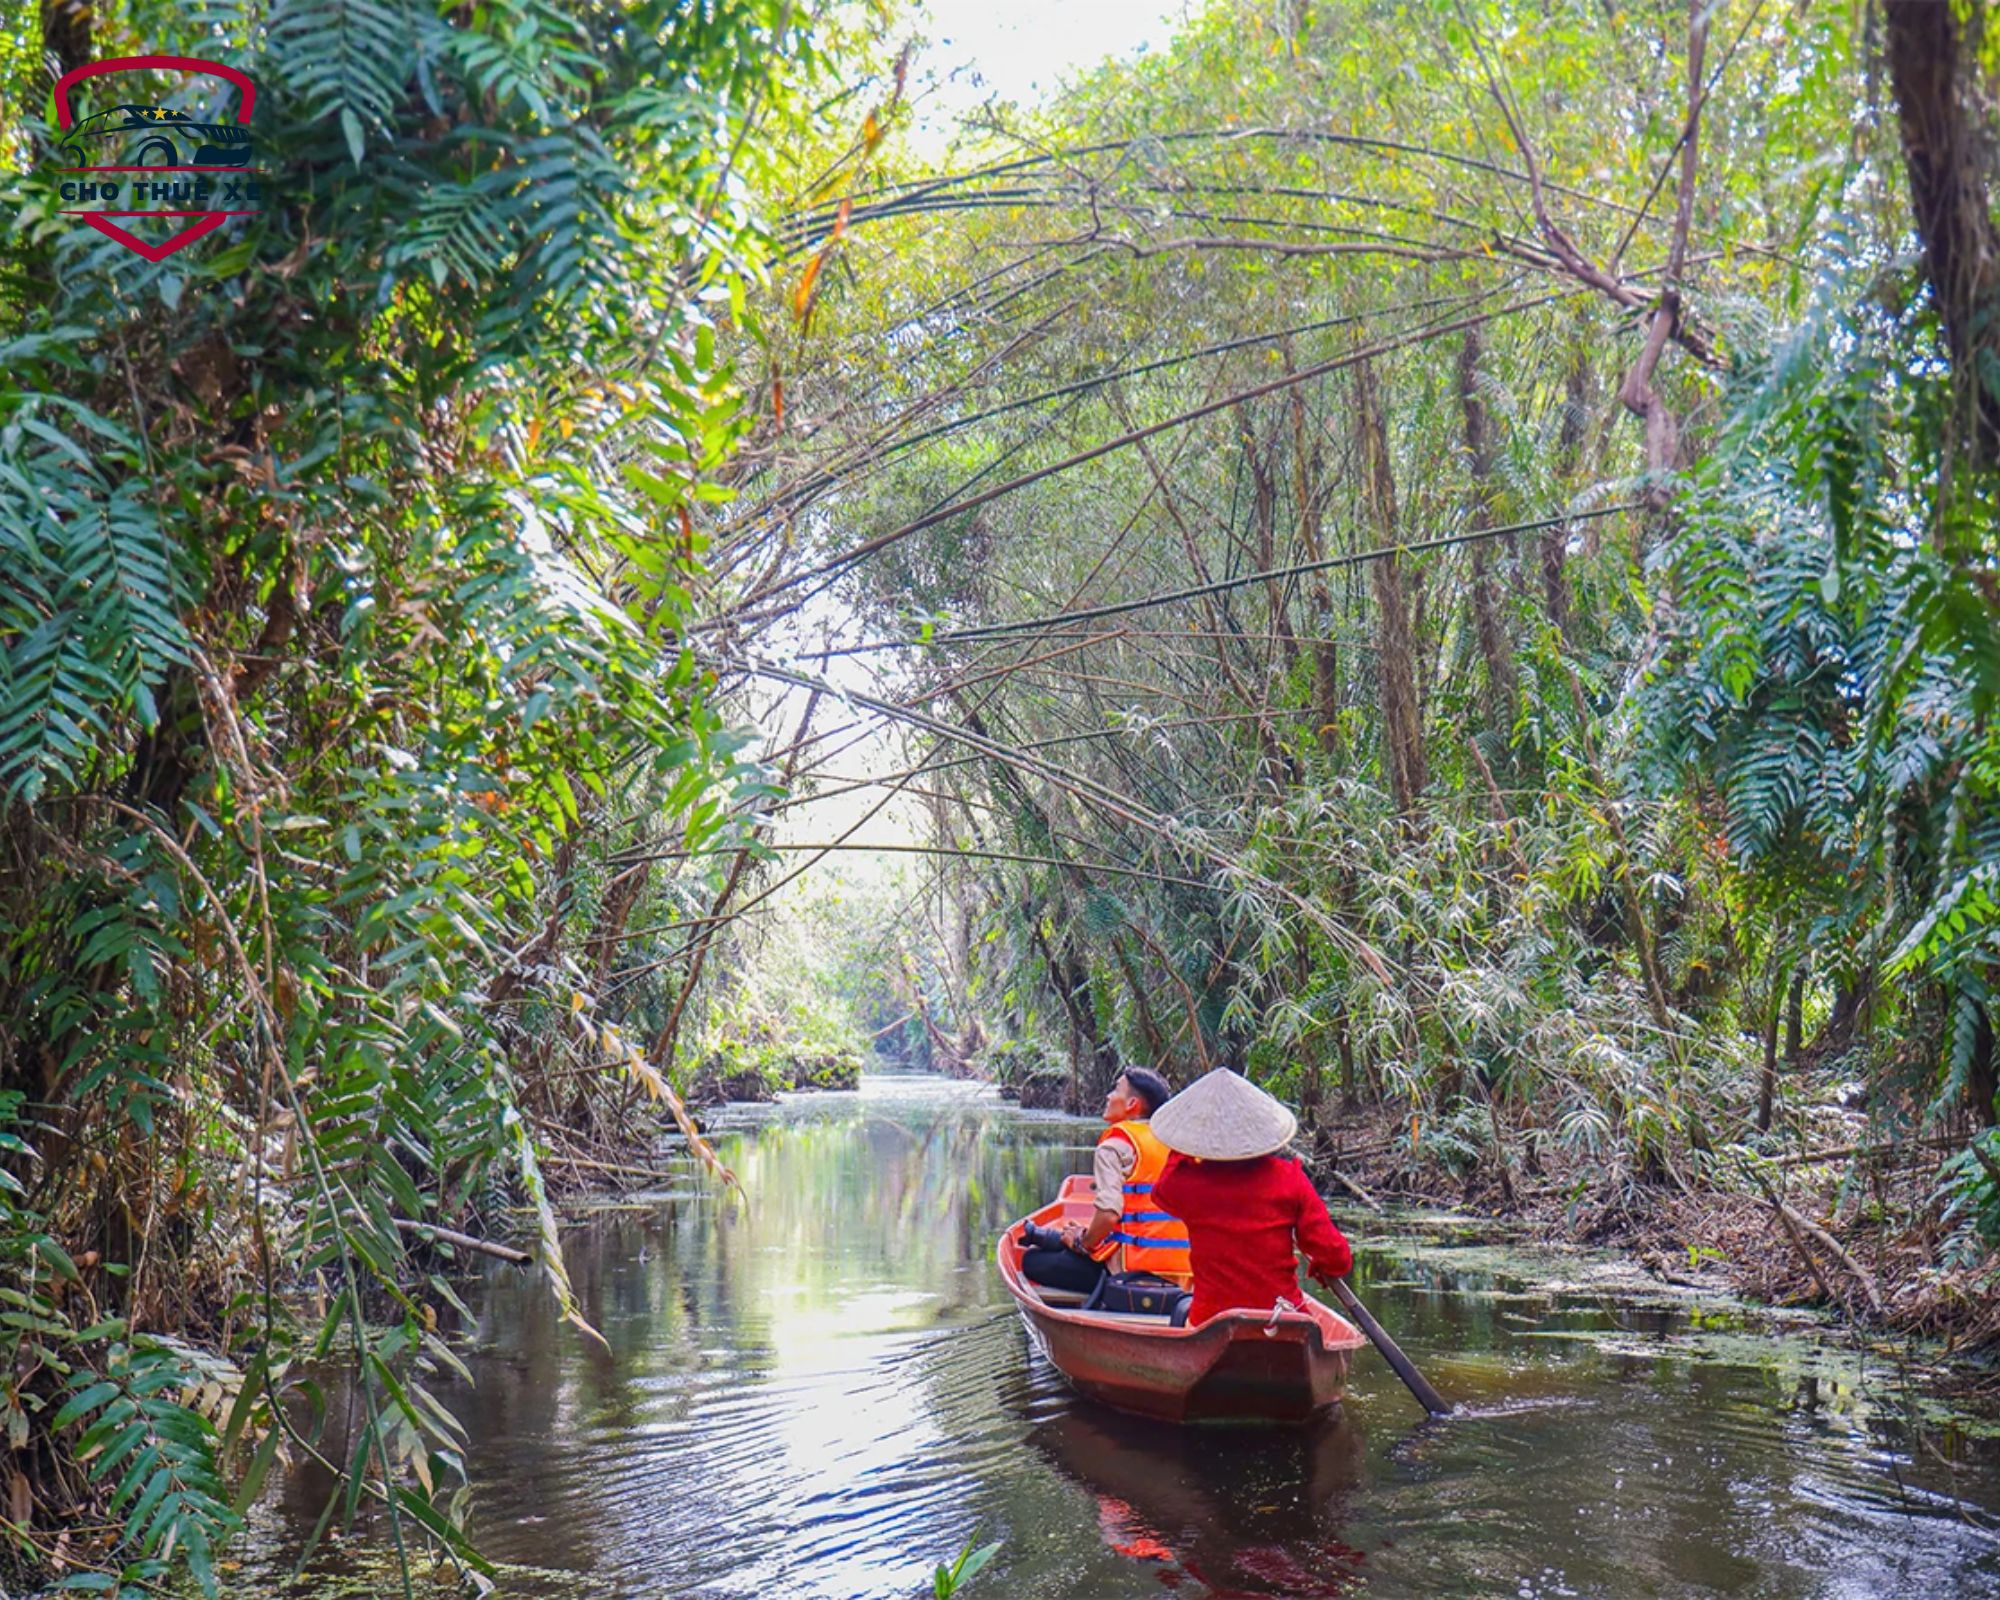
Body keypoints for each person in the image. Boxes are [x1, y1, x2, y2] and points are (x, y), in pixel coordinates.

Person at [1150, 1067, 1352, 1327]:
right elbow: (1336, 1257)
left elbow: (1162, 1192)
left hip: (1210, 1322)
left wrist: (1186, 1144)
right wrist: (1322, 1269)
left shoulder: (1188, 1184)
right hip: (1283, 1319)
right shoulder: (1290, 1178)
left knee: (1182, 1316)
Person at [1020, 1067, 1191, 1297]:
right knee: (1068, 1243)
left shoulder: (1114, 1147)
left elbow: (1109, 1215)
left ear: (1132, 1104)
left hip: (1130, 1273)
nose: (1108, 1096)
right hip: (1184, 1275)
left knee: (1033, 1260)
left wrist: (1082, 1243)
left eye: (1116, 1089)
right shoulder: (1181, 1144)